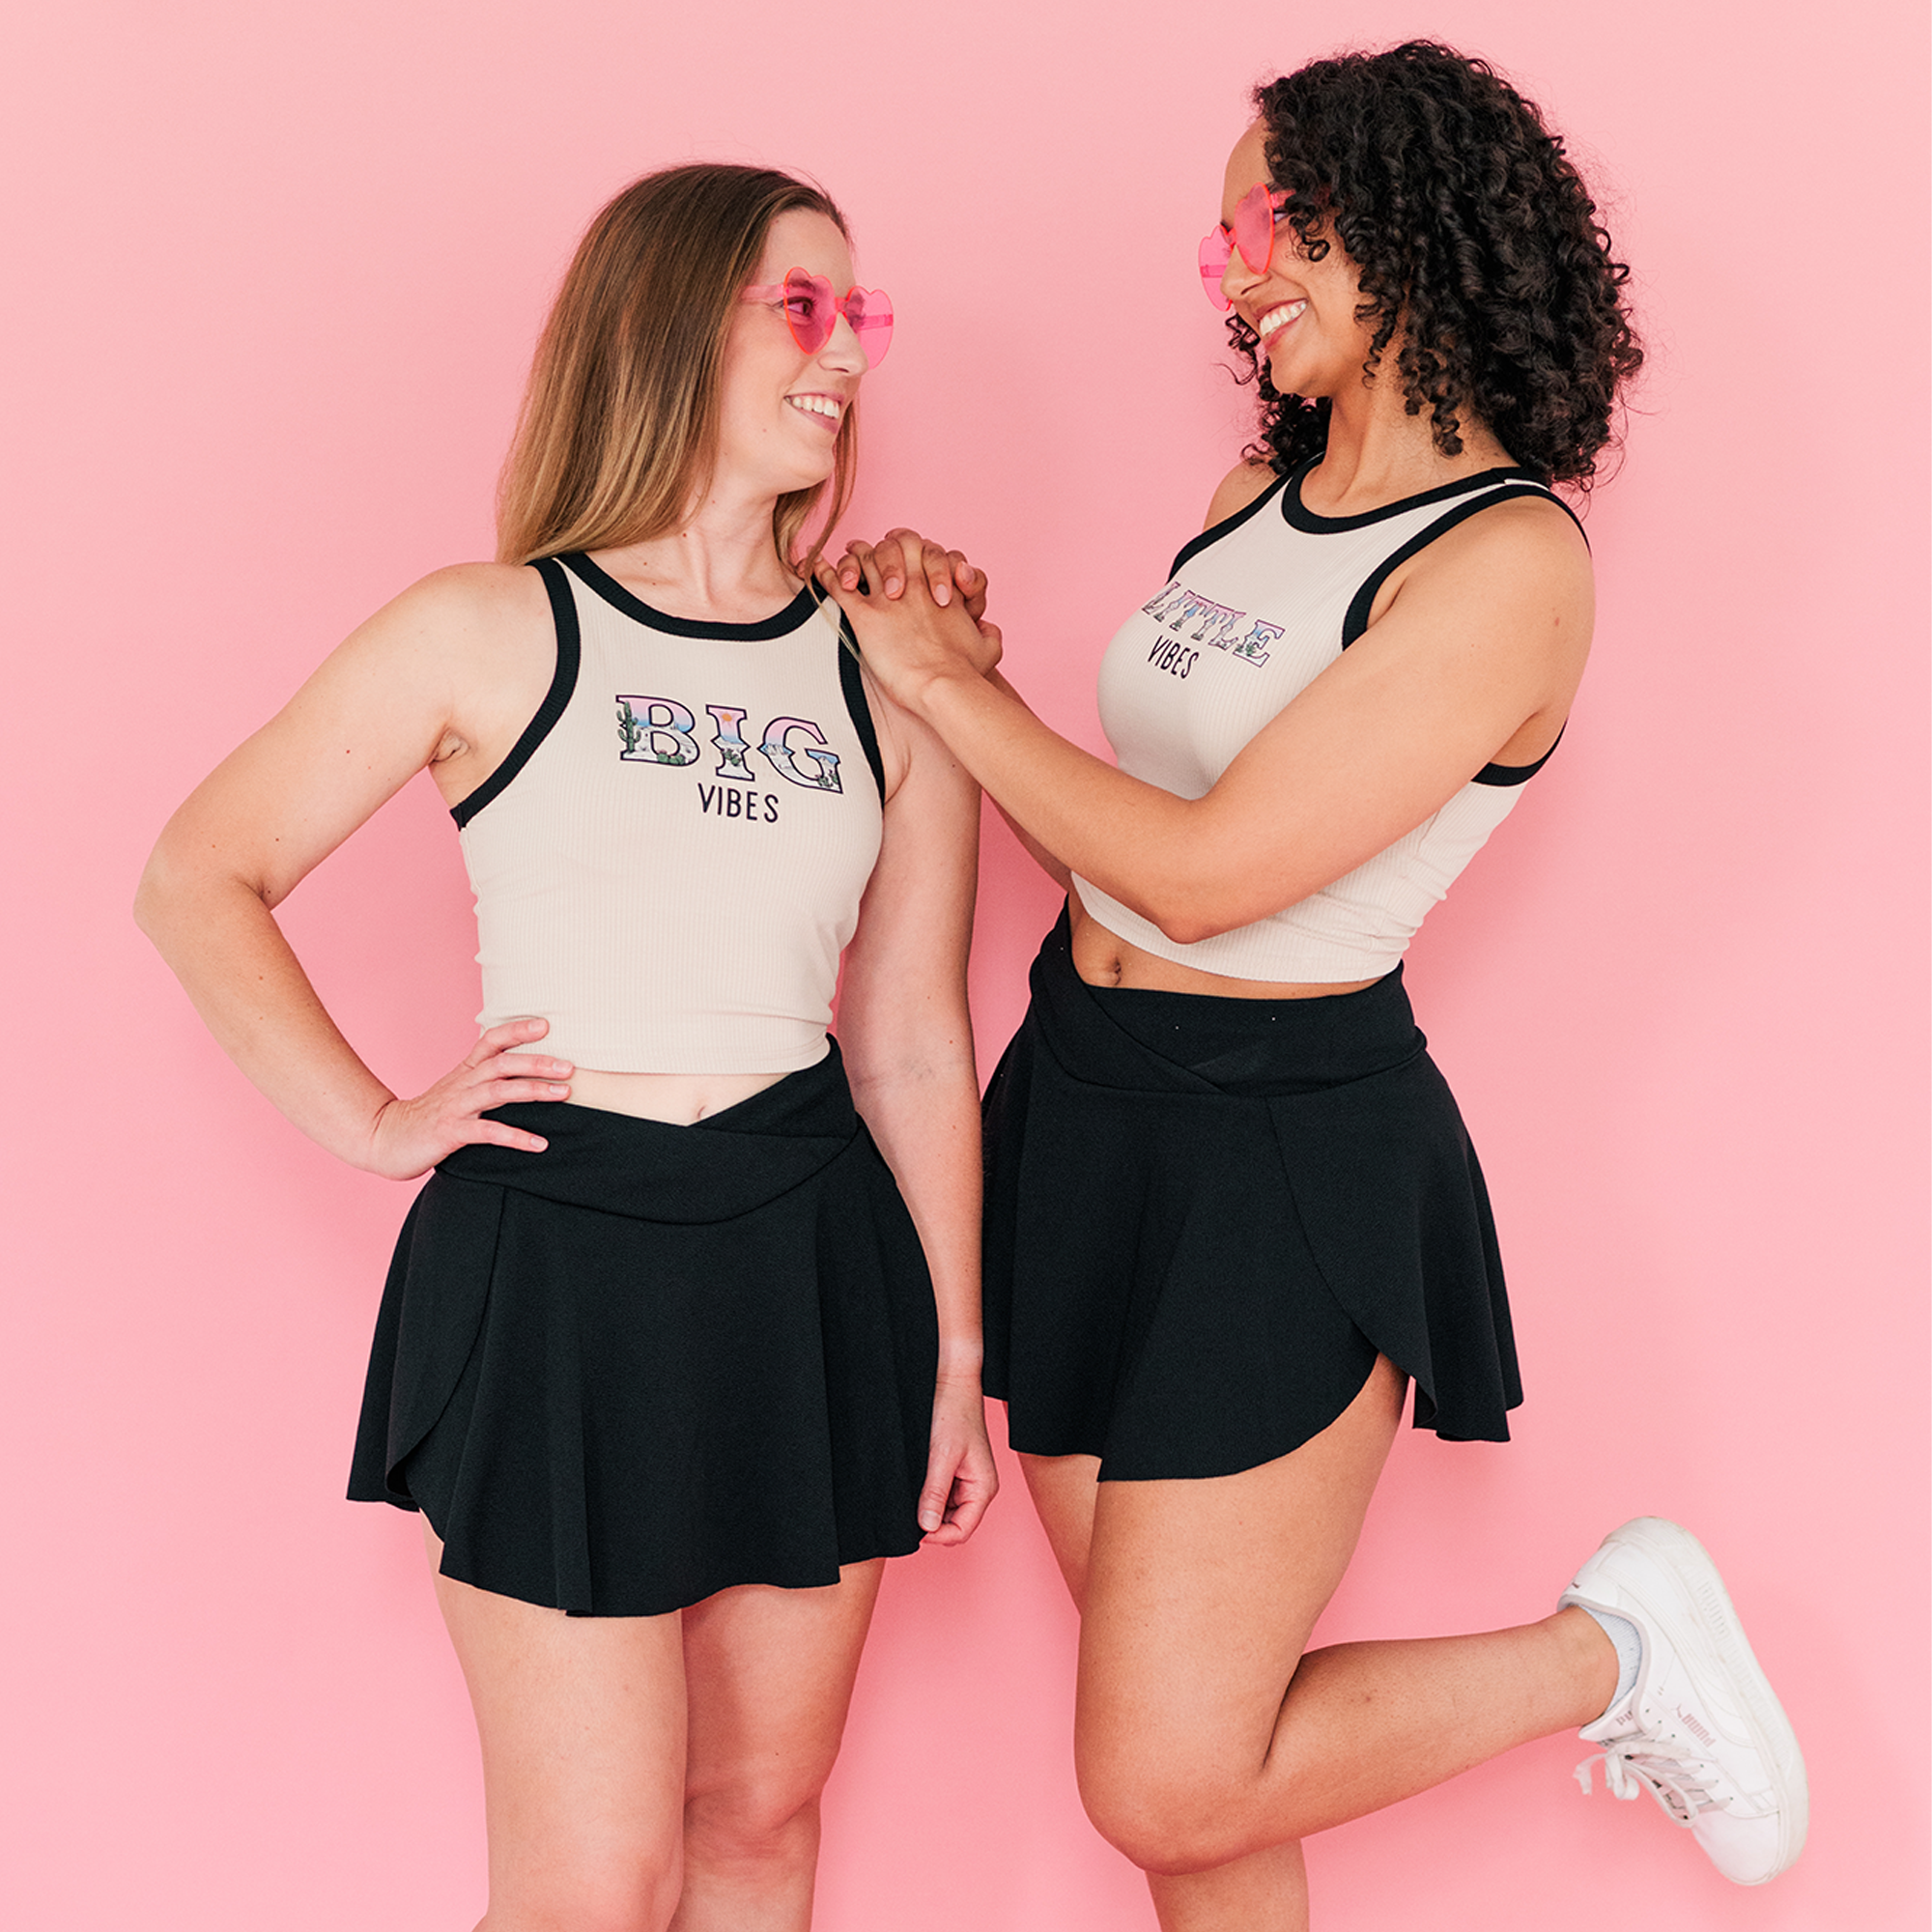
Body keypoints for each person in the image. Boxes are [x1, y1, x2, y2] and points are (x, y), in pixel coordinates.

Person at [821, 42, 1805, 1930]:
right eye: (1219, 246)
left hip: (1279, 1156)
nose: (1233, 275)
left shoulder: (1507, 562)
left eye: (1269, 226)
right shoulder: (1257, 490)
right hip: (1082, 1109)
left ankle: (1612, 1651)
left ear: (1415, 225)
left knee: (1167, 1768)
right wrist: (959, 658)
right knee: (1207, 1777)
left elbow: (1199, 874)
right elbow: (1129, 807)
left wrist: (947, 686)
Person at [135, 162, 996, 1932]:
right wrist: (375, 1120)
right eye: (803, 307)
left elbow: (913, 1036)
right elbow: (196, 874)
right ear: (669, 324)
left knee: (761, 1819)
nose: (848, 355)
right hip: (560, 1261)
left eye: (865, 315)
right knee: (596, 1884)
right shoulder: (491, 625)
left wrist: (957, 1348)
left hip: (810, 1255)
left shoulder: (891, 664)